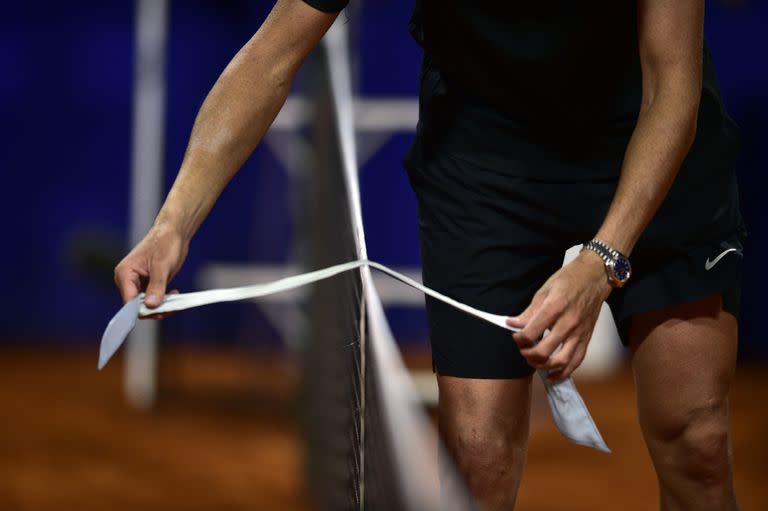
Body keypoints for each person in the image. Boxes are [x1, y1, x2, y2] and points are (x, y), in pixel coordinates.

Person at [114, 1, 745, 509]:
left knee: (696, 442)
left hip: (646, 128)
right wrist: (173, 222)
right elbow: (270, 57)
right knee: (476, 462)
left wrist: (602, 260)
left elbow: (672, 89)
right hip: (485, 154)